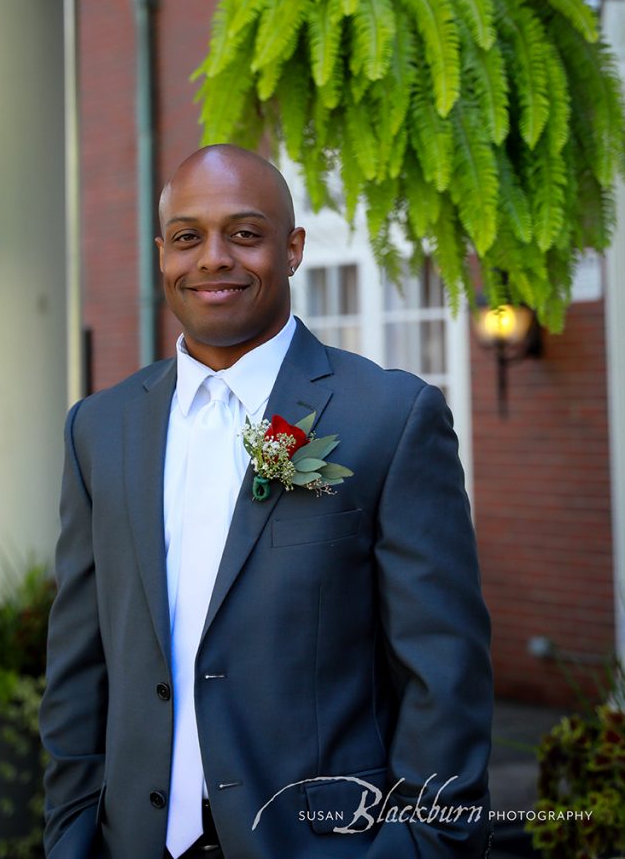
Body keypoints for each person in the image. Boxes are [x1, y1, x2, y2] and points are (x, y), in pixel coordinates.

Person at [40, 144, 494, 859]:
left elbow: (443, 673)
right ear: (162, 254)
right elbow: (78, 661)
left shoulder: (389, 416)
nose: (213, 258)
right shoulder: (98, 426)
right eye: (187, 238)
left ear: (292, 249)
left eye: (244, 235)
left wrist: (420, 844)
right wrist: (70, 833)